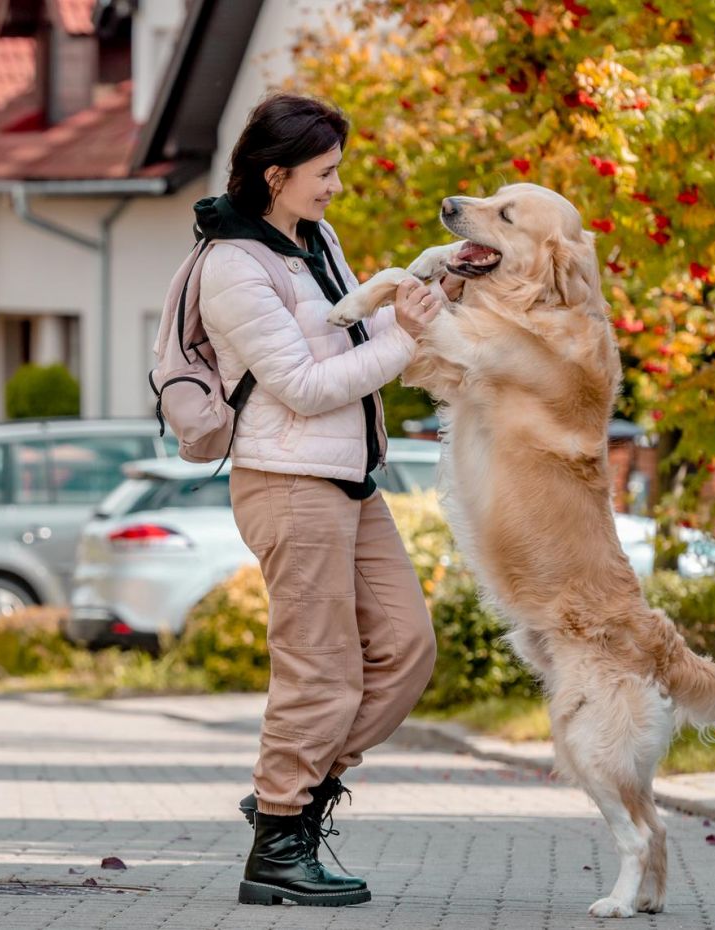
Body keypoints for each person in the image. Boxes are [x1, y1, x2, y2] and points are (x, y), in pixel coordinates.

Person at [195, 92, 459, 907]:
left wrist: (411, 315)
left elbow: (355, 340)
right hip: (287, 482)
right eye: (324, 172)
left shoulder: (317, 240)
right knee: (322, 671)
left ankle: (290, 797)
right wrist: (404, 337)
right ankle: (279, 846)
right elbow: (305, 388)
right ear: (275, 176)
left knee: (408, 649)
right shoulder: (234, 267)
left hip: (350, 478)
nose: (336, 186)